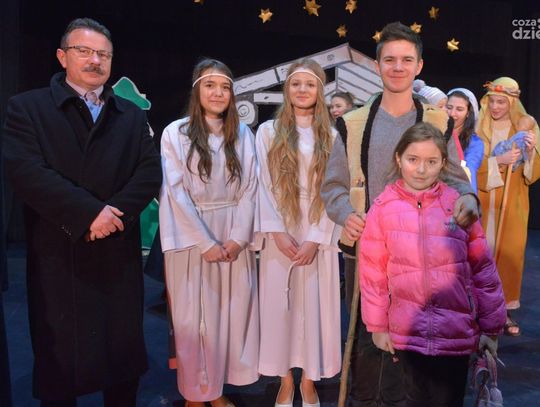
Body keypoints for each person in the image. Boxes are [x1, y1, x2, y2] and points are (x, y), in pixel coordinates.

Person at [2, 17, 162, 405]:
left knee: (121, 358)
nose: (95, 60)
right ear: (62, 56)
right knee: (61, 362)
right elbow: (26, 171)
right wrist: (89, 214)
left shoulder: (131, 114)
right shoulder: (27, 107)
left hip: (116, 250)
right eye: (84, 51)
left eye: (104, 54)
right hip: (59, 251)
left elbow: (148, 172)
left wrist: (112, 215)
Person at [321, 21, 479, 407]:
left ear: (419, 66)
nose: (397, 67)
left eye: (406, 60)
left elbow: (456, 179)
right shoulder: (352, 124)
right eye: (389, 59)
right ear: (377, 65)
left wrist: (468, 199)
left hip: (426, 257)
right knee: (370, 352)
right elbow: (333, 187)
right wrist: (346, 213)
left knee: (419, 355)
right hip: (369, 256)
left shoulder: (439, 121)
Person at [360, 122, 506, 407]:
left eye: (431, 161)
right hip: (408, 334)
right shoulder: (382, 208)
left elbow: (483, 272)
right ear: (398, 159)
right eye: (413, 159)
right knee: (414, 399)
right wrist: (377, 325)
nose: (421, 169)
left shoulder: (459, 205)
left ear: (443, 163)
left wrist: (491, 328)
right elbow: (372, 273)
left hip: (455, 334)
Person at [159, 58, 259, 407]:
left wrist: (237, 238)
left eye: (225, 87)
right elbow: (175, 191)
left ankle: (215, 390)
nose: (218, 93)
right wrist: (205, 242)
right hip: (191, 236)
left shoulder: (242, 134)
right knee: (195, 320)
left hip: (232, 235)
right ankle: (195, 395)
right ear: (196, 91)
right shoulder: (176, 133)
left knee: (228, 317)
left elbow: (251, 188)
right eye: (210, 85)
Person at [256, 58, 341, 407]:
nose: (302, 90)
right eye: (296, 84)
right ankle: (284, 379)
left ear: (320, 90)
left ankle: (308, 380)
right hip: (281, 227)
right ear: (287, 89)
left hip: (317, 228)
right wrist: (276, 231)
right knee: (281, 306)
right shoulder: (268, 132)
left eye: (309, 84)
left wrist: (316, 238)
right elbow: (261, 184)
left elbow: (335, 190)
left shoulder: (332, 136)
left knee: (315, 308)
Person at [476, 77, 540, 337]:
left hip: (512, 202)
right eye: (492, 101)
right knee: (481, 252)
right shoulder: (479, 127)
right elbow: (470, 163)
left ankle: (501, 311)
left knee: (508, 253)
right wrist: (497, 161)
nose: (495, 107)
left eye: (501, 102)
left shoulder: (524, 127)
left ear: (512, 103)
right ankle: (477, 308)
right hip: (484, 199)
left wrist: (530, 152)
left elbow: (532, 174)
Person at [446, 88, 484, 192]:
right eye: (449, 107)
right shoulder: (434, 134)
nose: (452, 113)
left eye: (459, 109)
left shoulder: (475, 143)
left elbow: (469, 171)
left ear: (468, 113)